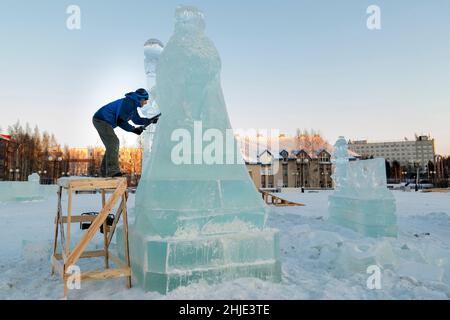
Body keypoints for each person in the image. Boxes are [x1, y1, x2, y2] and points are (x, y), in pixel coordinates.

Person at [92, 88, 159, 177]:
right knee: (114, 142)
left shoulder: (133, 105)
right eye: (145, 100)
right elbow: (120, 121)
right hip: (101, 119)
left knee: (111, 144)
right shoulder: (128, 104)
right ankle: (112, 171)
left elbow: (136, 120)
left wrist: (149, 121)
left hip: (103, 120)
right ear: (140, 99)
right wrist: (134, 130)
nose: (146, 102)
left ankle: (105, 172)